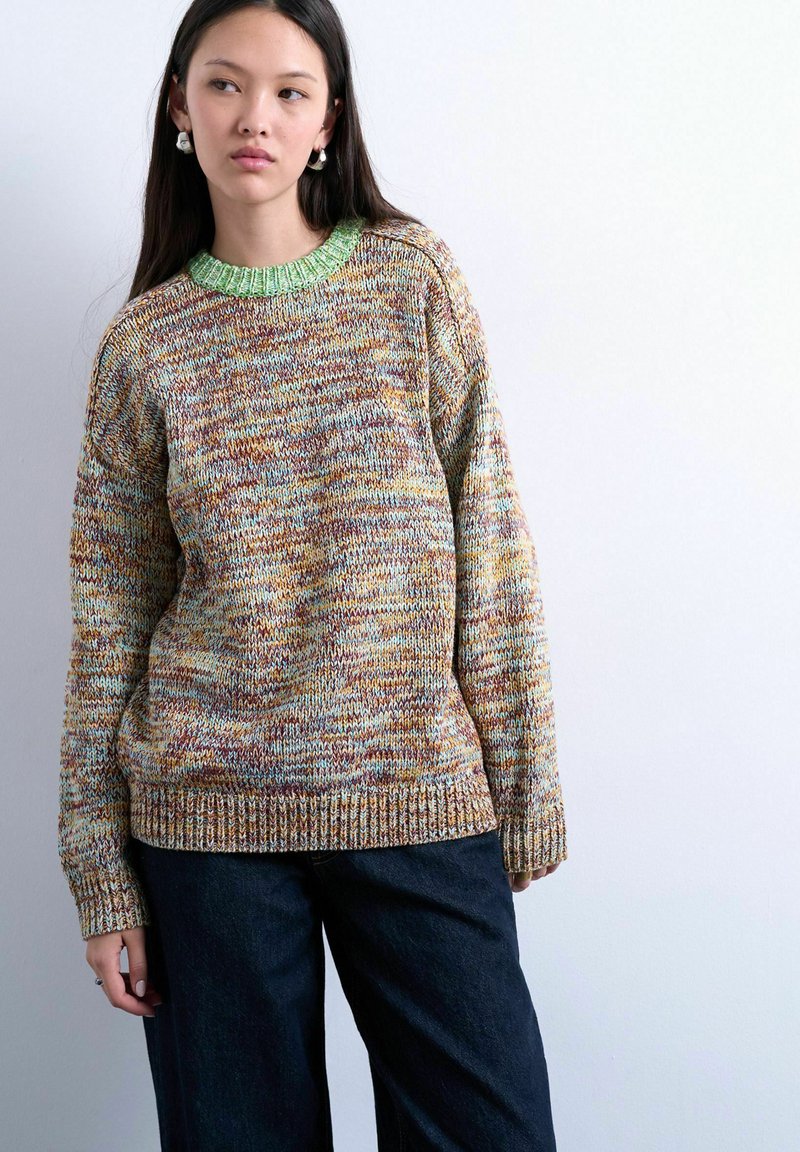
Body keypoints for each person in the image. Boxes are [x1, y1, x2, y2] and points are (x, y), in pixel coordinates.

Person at [57, 1, 569, 1148]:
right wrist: (100, 871)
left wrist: (522, 784)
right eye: (224, 83)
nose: (256, 117)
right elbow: (109, 619)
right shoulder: (145, 345)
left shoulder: (409, 279)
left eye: (290, 91)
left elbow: (488, 536)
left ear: (329, 119)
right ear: (179, 107)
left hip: (415, 795)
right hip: (205, 826)